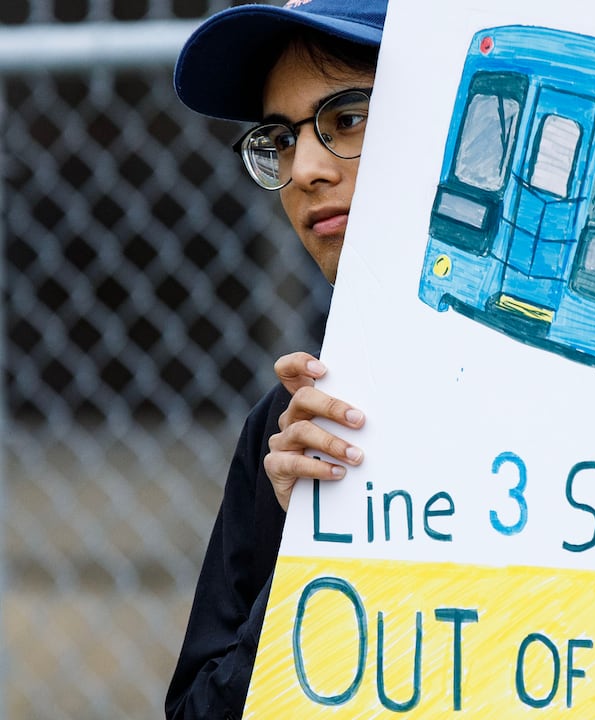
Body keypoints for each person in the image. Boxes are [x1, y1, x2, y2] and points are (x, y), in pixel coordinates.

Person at [165, 1, 386, 716]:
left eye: (348, 119)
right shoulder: (290, 432)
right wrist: (309, 553)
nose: (307, 170)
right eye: (281, 139)